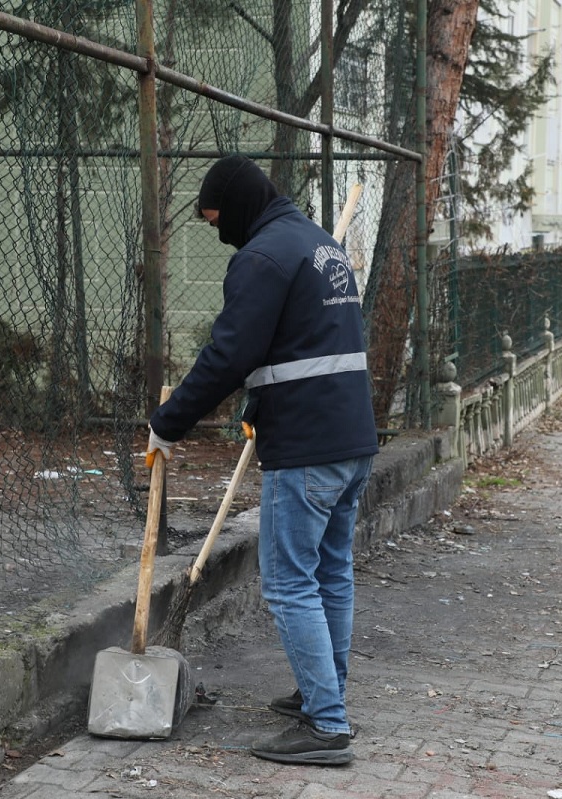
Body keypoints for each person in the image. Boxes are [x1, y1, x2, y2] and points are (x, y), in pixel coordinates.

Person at [147, 155, 378, 766]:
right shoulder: (318, 244)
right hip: (351, 439)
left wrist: (166, 423)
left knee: (287, 583)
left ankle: (326, 726)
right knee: (330, 572)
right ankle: (321, 693)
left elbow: (228, 353)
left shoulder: (262, 257)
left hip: (306, 447)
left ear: (239, 206)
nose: (221, 234)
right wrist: (263, 395)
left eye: (218, 219)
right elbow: (303, 342)